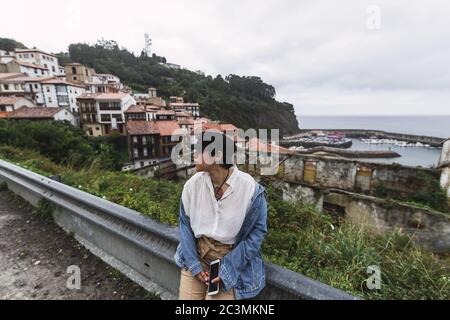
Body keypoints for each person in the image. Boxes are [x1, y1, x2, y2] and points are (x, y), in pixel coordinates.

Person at [173, 131, 268, 300]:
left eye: (198, 150)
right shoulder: (192, 185)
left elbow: (256, 234)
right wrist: (194, 264)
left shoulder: (250, 189)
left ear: (217, 155)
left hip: (229, 262)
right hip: (197, 255)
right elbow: (184, 225)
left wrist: (228, 270)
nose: (193, 154)